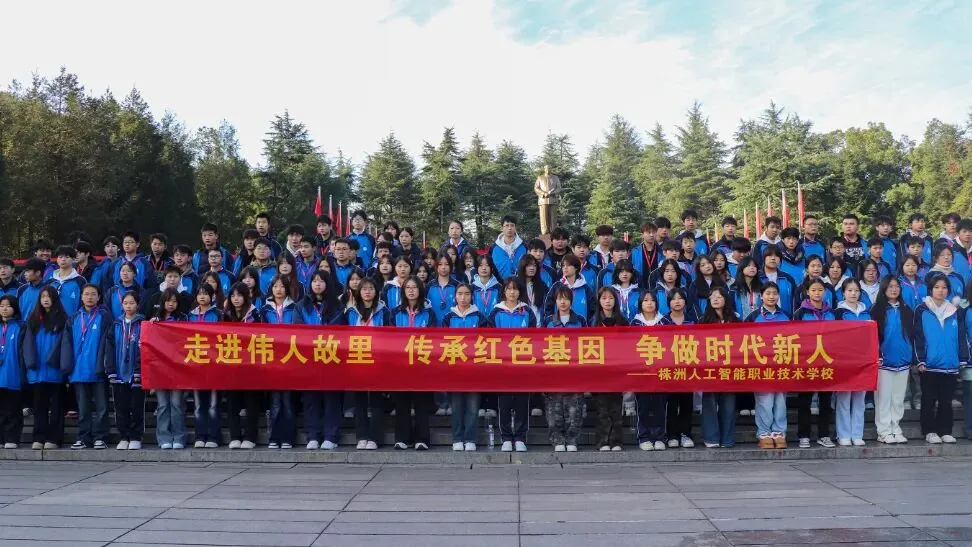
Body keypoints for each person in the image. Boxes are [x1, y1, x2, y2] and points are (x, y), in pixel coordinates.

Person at [914, 275, 966, 444]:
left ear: (948, 290)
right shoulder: (922, 310)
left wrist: (962, 357)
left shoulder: (955, 310)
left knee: (946, 400)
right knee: (928, 399)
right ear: (930, 289)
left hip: (950, 364)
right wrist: (920, 360)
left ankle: (945, 431)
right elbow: (918, 336)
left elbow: (961, 336)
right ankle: (929, 431)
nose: (940, 291)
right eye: (937, 287)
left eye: (944, 287)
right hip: (929, 365)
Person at [488, 278, 538, 452]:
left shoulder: (527, 311)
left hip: (523, 364)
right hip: (503, 365)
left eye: (515, 289)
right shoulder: (496, 312)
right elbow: (490, 338)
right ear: (504, 291)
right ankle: (506, 437)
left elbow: (534, 337)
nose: (512, 292)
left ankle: (521, 437)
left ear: (520, 292)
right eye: (509, 289)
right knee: (504, 402)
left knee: (522, 402)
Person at [63, 284, 111, 450]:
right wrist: (67, 366)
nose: (89, 297)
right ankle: (84, 438)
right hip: (79, 369)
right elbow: (67, 343)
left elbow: (108, 343)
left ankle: (100, 437)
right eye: (86, 294)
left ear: (99, 297)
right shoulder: (74, 317)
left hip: (98, 369)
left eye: (93, 294)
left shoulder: (104, 316)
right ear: (81, 297)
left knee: (102, 407)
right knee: (83, 408)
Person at [390, 277, 435, 450]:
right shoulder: (395, 312)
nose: (411, 290)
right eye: (407, 287)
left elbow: (433, 337)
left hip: (421, 362)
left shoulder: (428, 313)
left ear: (420, 290)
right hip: (401, 363)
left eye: (414, 287)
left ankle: (422, 439)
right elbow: (389, 337)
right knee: (402, 401)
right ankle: (402, 438)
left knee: (421, 402)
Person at [791, 278, 837, 449]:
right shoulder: (800, 313)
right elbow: (794, 337)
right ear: (807, 292)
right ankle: (804, 435)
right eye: (814, 290)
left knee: (825, 401)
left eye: (820, 290)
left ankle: (824, 435)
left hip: (826, 362)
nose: (817, 293)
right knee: (805, 401)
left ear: (825, 292)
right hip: (807, 362)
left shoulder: (831, 313)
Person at [345, 278, 390, 450]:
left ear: (376, 292)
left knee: (377, 400)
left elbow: (390, 335)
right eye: (364, 289)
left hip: (378, 360)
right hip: (357, 359)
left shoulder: (384, 311)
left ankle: (375, 437)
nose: (367, 292)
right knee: (360, 401)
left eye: (371, 288)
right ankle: (362, 436)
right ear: (359, 292)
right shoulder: (351, 312)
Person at [541, 285, 586, 452]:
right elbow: (541, 346)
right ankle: (557, 439)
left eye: (566, 299)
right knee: (554, 410)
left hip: (575, 371)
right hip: (554, 371)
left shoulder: (580, 321)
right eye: (560, 299)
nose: (563, 302)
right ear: (555, 301)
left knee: (574, 409)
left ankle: (572, 439)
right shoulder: (548, 321)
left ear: (571, 301)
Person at [441, 284, 487, 451]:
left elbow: (485, 341)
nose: (463, 297)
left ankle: (470, 438)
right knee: (457, 406)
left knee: (473, 406)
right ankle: (457, 438)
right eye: (460, 294)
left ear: (472, 296)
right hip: (455, 368)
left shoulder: (479, 317)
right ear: (455, 296)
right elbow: (442, 341)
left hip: (474, 368)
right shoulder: (448, 317)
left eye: (467, 294)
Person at [745, 282, 790, 449]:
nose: (771, 297)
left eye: (774, 293)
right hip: (761, 365)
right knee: (765, 400)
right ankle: (764, 433)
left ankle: (779, 432)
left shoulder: (786, 315)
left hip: (782, 363)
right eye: (768, 293)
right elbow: (745, 340)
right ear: (761, 296)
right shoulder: (753, 316)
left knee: (780, 400)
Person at [261, 275, 302, 449]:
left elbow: (299, 332)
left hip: (290, 358)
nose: (278, 289)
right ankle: (274, 437)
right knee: (275, 402)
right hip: (272, 359)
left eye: (282, 286)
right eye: (275, 286)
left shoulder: (295, 307)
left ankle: (288, 438)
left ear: (287, 289)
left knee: (287, 401)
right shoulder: (264, 309)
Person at [872, 277, 913, 444]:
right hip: (884, 361)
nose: (894, 289)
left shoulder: (906, 309)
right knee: (883, 398)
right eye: (890, 286)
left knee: (898, 398)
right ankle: (883, 430)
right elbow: (873, 336)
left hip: (903, 360)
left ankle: (895, 427)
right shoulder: (877, 310)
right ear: (883, 289)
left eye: (896, 286)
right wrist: (878, 354)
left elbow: (912, 334)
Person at [26, 287, 66, 449]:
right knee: (39, 406)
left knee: (56, 406)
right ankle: (39, 437)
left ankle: (54, 438)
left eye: (49, 296)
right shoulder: (33, 319)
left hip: (55, 370)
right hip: (38, 371)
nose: (45, 299)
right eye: (43, 296)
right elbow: (27, 344)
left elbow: (65, 344)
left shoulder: (62, 319)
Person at [222, 283, 261, 450]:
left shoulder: (255, 314)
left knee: (251, 403)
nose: (236, 299)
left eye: (239, 295)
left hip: (251, 366)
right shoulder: (226, 315)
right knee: (232, 404)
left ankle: (250, 437)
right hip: (231, 365)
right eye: (232, 296)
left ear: (246, 297)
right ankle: (235, 436)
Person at [104, 291, 145, 450]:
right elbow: (109, 348)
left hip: (136, 373)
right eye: (126, 303)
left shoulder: (143, 324)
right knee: (120, 407)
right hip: (119, 372)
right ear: (121, 305)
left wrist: (140, 369)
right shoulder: (116, 324)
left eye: (132, 303)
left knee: (136, 407)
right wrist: (111, 370)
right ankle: (124, 436)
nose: (128, 306)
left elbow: (146, 349)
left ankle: (135, 437)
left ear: (138, 305)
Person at [833, 279, 871, 446]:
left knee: (859, 398)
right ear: (843, 293)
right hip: (845, 360)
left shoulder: (867, 313)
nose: (853, 293)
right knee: (844, 398)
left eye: (856, 290)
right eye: (849, 290)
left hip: (863, 360)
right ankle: (843, 434)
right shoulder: (838, 313)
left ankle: (857, 434)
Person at [700, 287, 739, 448]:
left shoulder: (735, 319)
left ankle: (727, 438)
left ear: (726, 299)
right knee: (709, 402)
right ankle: (711, 438)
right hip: (710, 367)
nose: (715, 299)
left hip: (730, 367)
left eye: (719, 296)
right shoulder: (703, 320)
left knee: (728, 403)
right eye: (712, 297)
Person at [151, 288, 188, 449]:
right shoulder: (155, 319)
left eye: (174, 301)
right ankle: (164, 437)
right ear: (162, 302)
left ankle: (179, 437)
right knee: (162, 405)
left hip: (178, 368)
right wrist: (151, 325)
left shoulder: (183, 319)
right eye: (168, 301)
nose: (171, 304)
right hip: (160, 368)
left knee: (176, 404)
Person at [591, 287, 627, 451]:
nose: (607, 301)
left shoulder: (623, 321)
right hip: (600, 371)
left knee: (616, 408)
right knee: (602, 409)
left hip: (618, 370)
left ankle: (616, 441)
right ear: (599, 301)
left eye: (611, 298)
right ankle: (603, 441)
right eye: (604, 298)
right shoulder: (594, 321)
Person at [660, 288, 697, 448]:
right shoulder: (663, 321)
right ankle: (672, 435)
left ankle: (685, 434)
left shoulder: (692, 320)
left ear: (685, 302)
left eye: (680, 298)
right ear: (669, 302)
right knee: (671, 403)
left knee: (686, 403)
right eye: (674, 298)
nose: (677, 301)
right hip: (669, 368)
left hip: (688, 368)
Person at [188, 284, 223, 448]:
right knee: (198, 405)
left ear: (212, 296)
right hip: (195, 365)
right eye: (199, 294)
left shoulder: (219, 314)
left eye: (206, 294)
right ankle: (200, 436)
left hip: (214, 365)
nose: (202, 297)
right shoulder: (189, 316)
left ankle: (213, 437)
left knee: (213, 405)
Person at [632, 291, 666, 451]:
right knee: (643, 406)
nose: (649, 303)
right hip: (641, 372)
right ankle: (644, 437)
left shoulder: (664, 322)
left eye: (652, 300)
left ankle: (659, 437)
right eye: (646, 300)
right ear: (640, 304)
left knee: (660, 405)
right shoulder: (634, 323)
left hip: (661, 371)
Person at [0, 295, 33, 449]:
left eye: (8, 306)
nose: (4, 309)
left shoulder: (21, 326)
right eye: (1, 306)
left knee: (13, 409)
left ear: (14, 308)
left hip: (13, 373)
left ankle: (12, 438)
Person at [543, 255, 595, 322]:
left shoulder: (585, 287)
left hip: (581, 326)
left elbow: (592, 309)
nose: (565, 268)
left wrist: (587, 324)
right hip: (559, 326)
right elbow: (548, 307)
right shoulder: (557, 286)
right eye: (563, 266)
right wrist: (552, 323)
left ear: (576, 268)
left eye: (568, 265)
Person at [46, 246, 86, 316]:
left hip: (72, 320)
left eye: (67, 257)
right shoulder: (50, 280)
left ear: (73, 259)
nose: (63, 259)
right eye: (60, 257)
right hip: (51, 320)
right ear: (57, 259)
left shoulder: (80, 281)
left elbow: (84, 303)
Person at [759, 246, 797, 315]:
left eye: (776, 256)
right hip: (762, 318)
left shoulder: (788, 278)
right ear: (764, 258)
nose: (773, 258)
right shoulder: (757, 278)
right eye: (769, 255)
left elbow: (795, 301)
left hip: (785, 318)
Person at [489, 215, 527, 281]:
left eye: (512, 225)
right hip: (499, 284)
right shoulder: (494, 248)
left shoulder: (523, 246)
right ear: (502, 228)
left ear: (515, 228)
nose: (509, 228)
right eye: (507, 225)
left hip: (520, 284)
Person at [427, 255, 458, 326]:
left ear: (450, 267)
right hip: (433, 326)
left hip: (452, 326)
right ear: (436, 267)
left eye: (446, 264)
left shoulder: (457, 285)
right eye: (440, 264)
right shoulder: (430, 286)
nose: (443, 267)